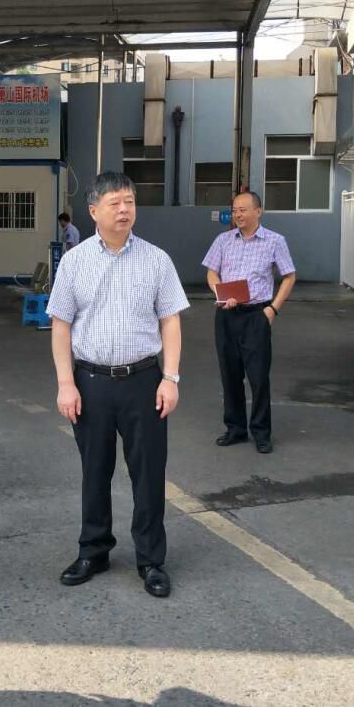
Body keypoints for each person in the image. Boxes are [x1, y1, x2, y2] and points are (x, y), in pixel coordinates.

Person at [47, 172, 189, 598]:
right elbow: (60, 325)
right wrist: (66, 384)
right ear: (94, 211)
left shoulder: (156, 260)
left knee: (148, 472)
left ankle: (151, 559)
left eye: (129, 201)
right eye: (115, 203)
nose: (124, 209)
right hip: (90, 382)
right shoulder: (74, 262)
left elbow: (170, 321)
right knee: (95, 470)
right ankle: (94, 550)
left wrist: (170, 378)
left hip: (143, 381)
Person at [202, 191, 296, 454]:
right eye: (234, 210)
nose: (237, 215)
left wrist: (272, 309)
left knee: (258, 377)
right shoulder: (223, 240)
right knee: (229, 374)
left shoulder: (275, 241)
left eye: (243, 209)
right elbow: (211, 271)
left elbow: (289, 276)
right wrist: (220, 293)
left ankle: (261, 432)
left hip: (256, 315)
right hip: (226, 315)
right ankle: (235, 428)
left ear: (258, 211)